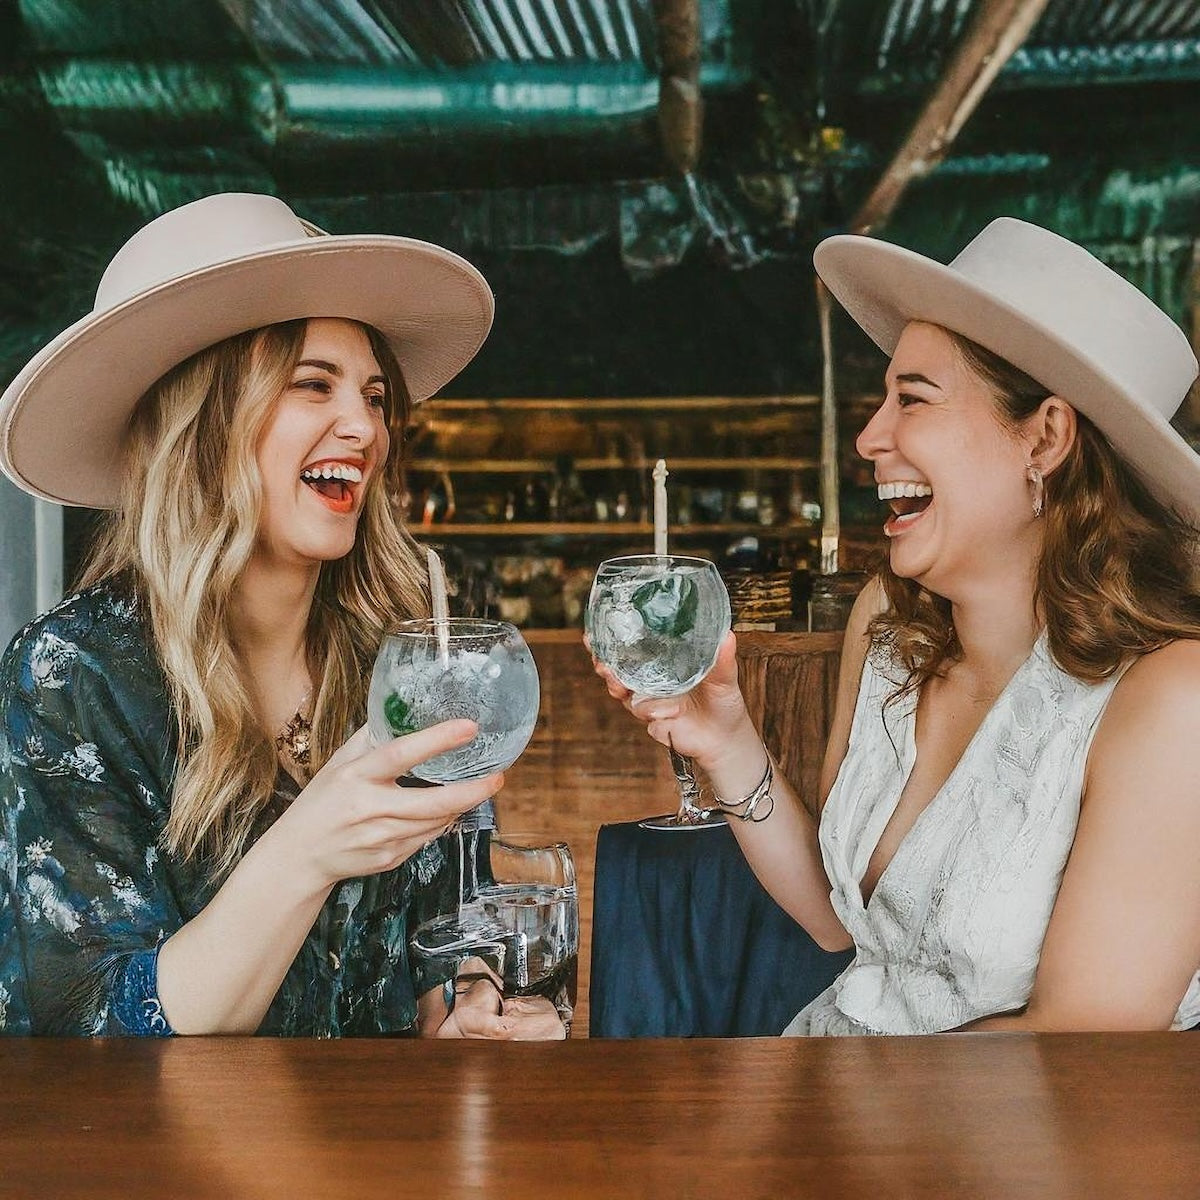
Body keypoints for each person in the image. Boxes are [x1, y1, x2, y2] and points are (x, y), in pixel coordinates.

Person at [597, 217, 1200, 1034]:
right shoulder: (891, 623)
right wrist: (727, 743)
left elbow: (1082, 1049)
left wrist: (828, 1115)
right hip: (843, 1090)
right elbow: (839, 924)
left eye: (912, 398)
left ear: (1047, 437)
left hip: (1005, 1145)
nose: (870, 437)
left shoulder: (1171, 701)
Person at [0, 192, 561, 1039]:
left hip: (380, 1159)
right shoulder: (73, 675)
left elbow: (449, 935)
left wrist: (466, 1007)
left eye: (375, 396)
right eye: (313, 386)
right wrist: (307, 847)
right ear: (204, 423)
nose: (364, 426)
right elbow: (88, 1035)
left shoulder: (406, 659)